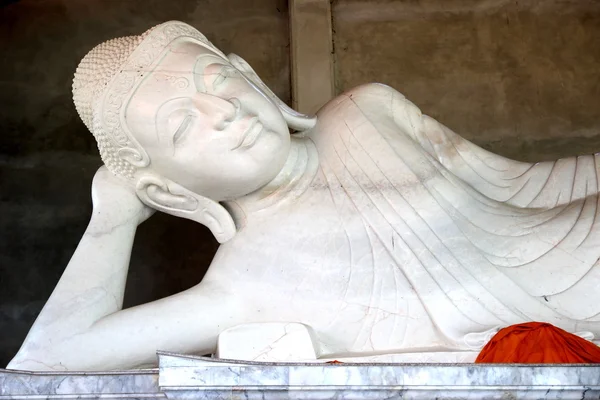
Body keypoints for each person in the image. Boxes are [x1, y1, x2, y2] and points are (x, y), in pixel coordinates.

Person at [8, 21, 600, 371]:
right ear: (167, 189)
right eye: (183, 127)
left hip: (571, 247)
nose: (224, 113)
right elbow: (50, 360)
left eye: (222, 83)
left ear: (254, 78)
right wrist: (113, 218)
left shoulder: (366, 109)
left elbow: (519, 185)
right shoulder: (244, 284)